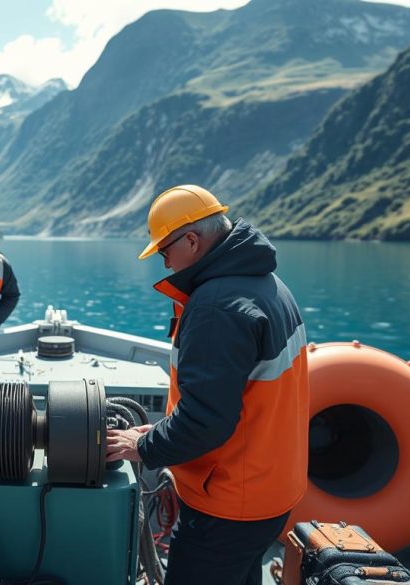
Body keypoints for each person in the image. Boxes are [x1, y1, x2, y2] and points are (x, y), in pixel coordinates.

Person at [106, 185, 309, 584]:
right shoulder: (267, 284)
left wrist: (143, 445)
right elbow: (241, 400)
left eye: (165, 251)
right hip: (272, 491)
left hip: (230, 505)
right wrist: (163, 430)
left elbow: (205, 421)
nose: (165, 264)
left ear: (192, 241)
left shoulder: (217, 305)